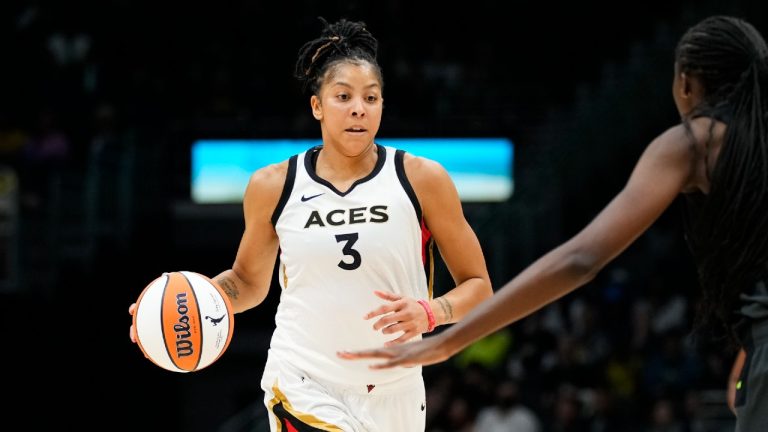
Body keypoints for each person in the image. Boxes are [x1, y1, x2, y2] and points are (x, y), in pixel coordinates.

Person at [339, 15, 768, 431]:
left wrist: (447, 341)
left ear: (686, 84)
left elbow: (582, 258)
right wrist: (748, 354)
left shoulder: (695, 140)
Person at [128, 17, 492, 432]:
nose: (359, 107)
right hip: (305, 382)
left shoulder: (423, 179)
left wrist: (431, 312)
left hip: (398, 391)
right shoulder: (273, 185)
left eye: (371, 98)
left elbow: (479, 287)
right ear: (317, 105)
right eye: (343, 96)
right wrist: (176, 304)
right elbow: (247, 282)